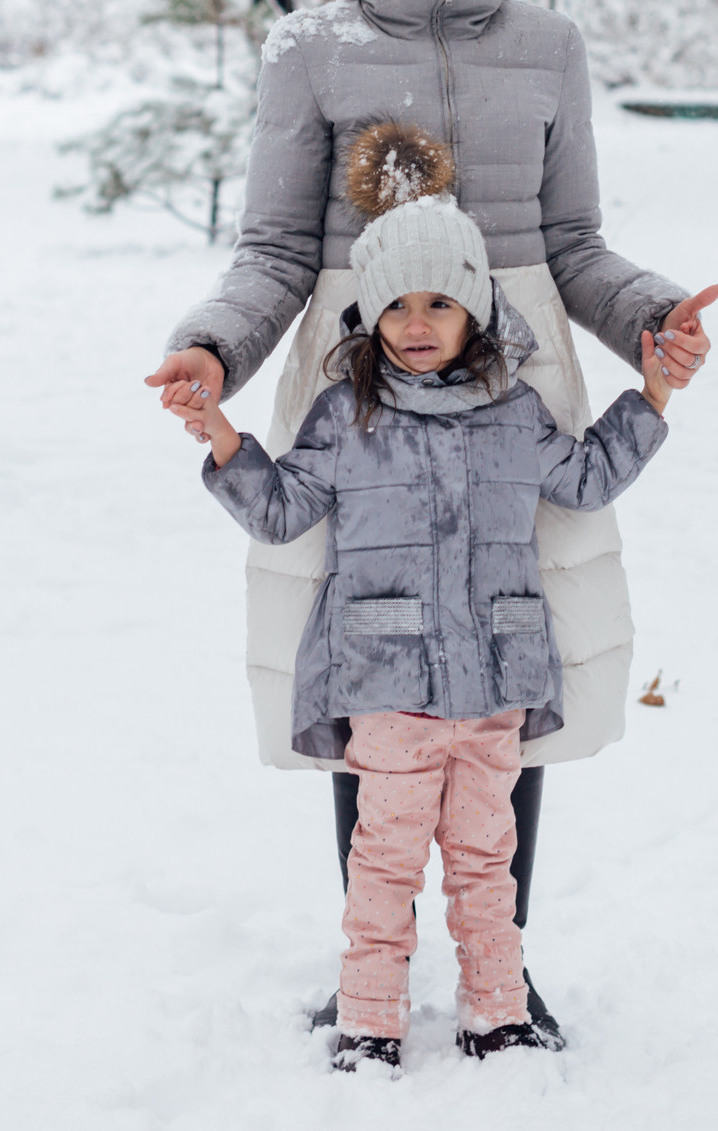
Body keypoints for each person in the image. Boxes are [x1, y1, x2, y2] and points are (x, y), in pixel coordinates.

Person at [143, 0, 718, 1042]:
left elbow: (574, 242)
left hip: (517, 373)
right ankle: (374, 965)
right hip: (361, 376)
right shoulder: (310, 49)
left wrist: (650, 320)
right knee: (371, 652)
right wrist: (211, 349)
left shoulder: (549, 44)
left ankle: (499, 969)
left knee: (516, 651)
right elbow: (274, 248)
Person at [176, 125, 680, 1073]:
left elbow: (584, 480)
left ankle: (498, 1013)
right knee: (383, 868)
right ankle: (370, 1019)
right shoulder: (347, 413)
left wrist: (649, 399)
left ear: (475, 309)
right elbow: (282, 510)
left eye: (439, 302)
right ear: (370, 314)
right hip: (388, 687)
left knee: (490, 866)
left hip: (494, 684)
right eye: (397, 304)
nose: (416, 322)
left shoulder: (515, 411)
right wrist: (222, 438)